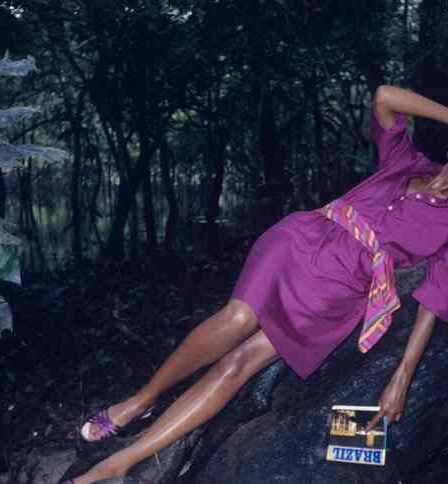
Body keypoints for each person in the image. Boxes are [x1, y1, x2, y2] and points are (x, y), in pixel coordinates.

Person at [63, 85, 448, 483]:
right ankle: (140, 400)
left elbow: (433, 301)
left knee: (238, 365)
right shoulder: (406, 162)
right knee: (236, 318)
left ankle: (123, 461)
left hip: (338, 289)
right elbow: (384, 96)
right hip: (301, 241)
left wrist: (402, 378)